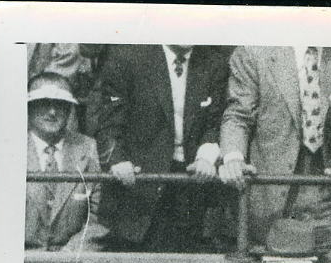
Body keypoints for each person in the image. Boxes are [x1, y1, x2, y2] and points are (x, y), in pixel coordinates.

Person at [219, 43, 331, 253]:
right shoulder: (255, 51)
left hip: (325, 193)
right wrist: (233, 157)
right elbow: (238, 115)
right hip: (269, 192)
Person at [96, 44, 231, 251]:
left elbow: (215, 123)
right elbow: (109, 123)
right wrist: (117, 161)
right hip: (139, 187)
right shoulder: (128, 57)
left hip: (190, 185)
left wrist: (205, 156)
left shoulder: (214, 64)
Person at [25, 74, 100, 252]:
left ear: (69, 109)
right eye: (44, 102)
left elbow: (98, 217)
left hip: (71, 262)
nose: (52, 112)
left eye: (60, 104)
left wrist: (69, 255)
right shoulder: (9, 147)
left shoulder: (87, 148)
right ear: (29, 106)